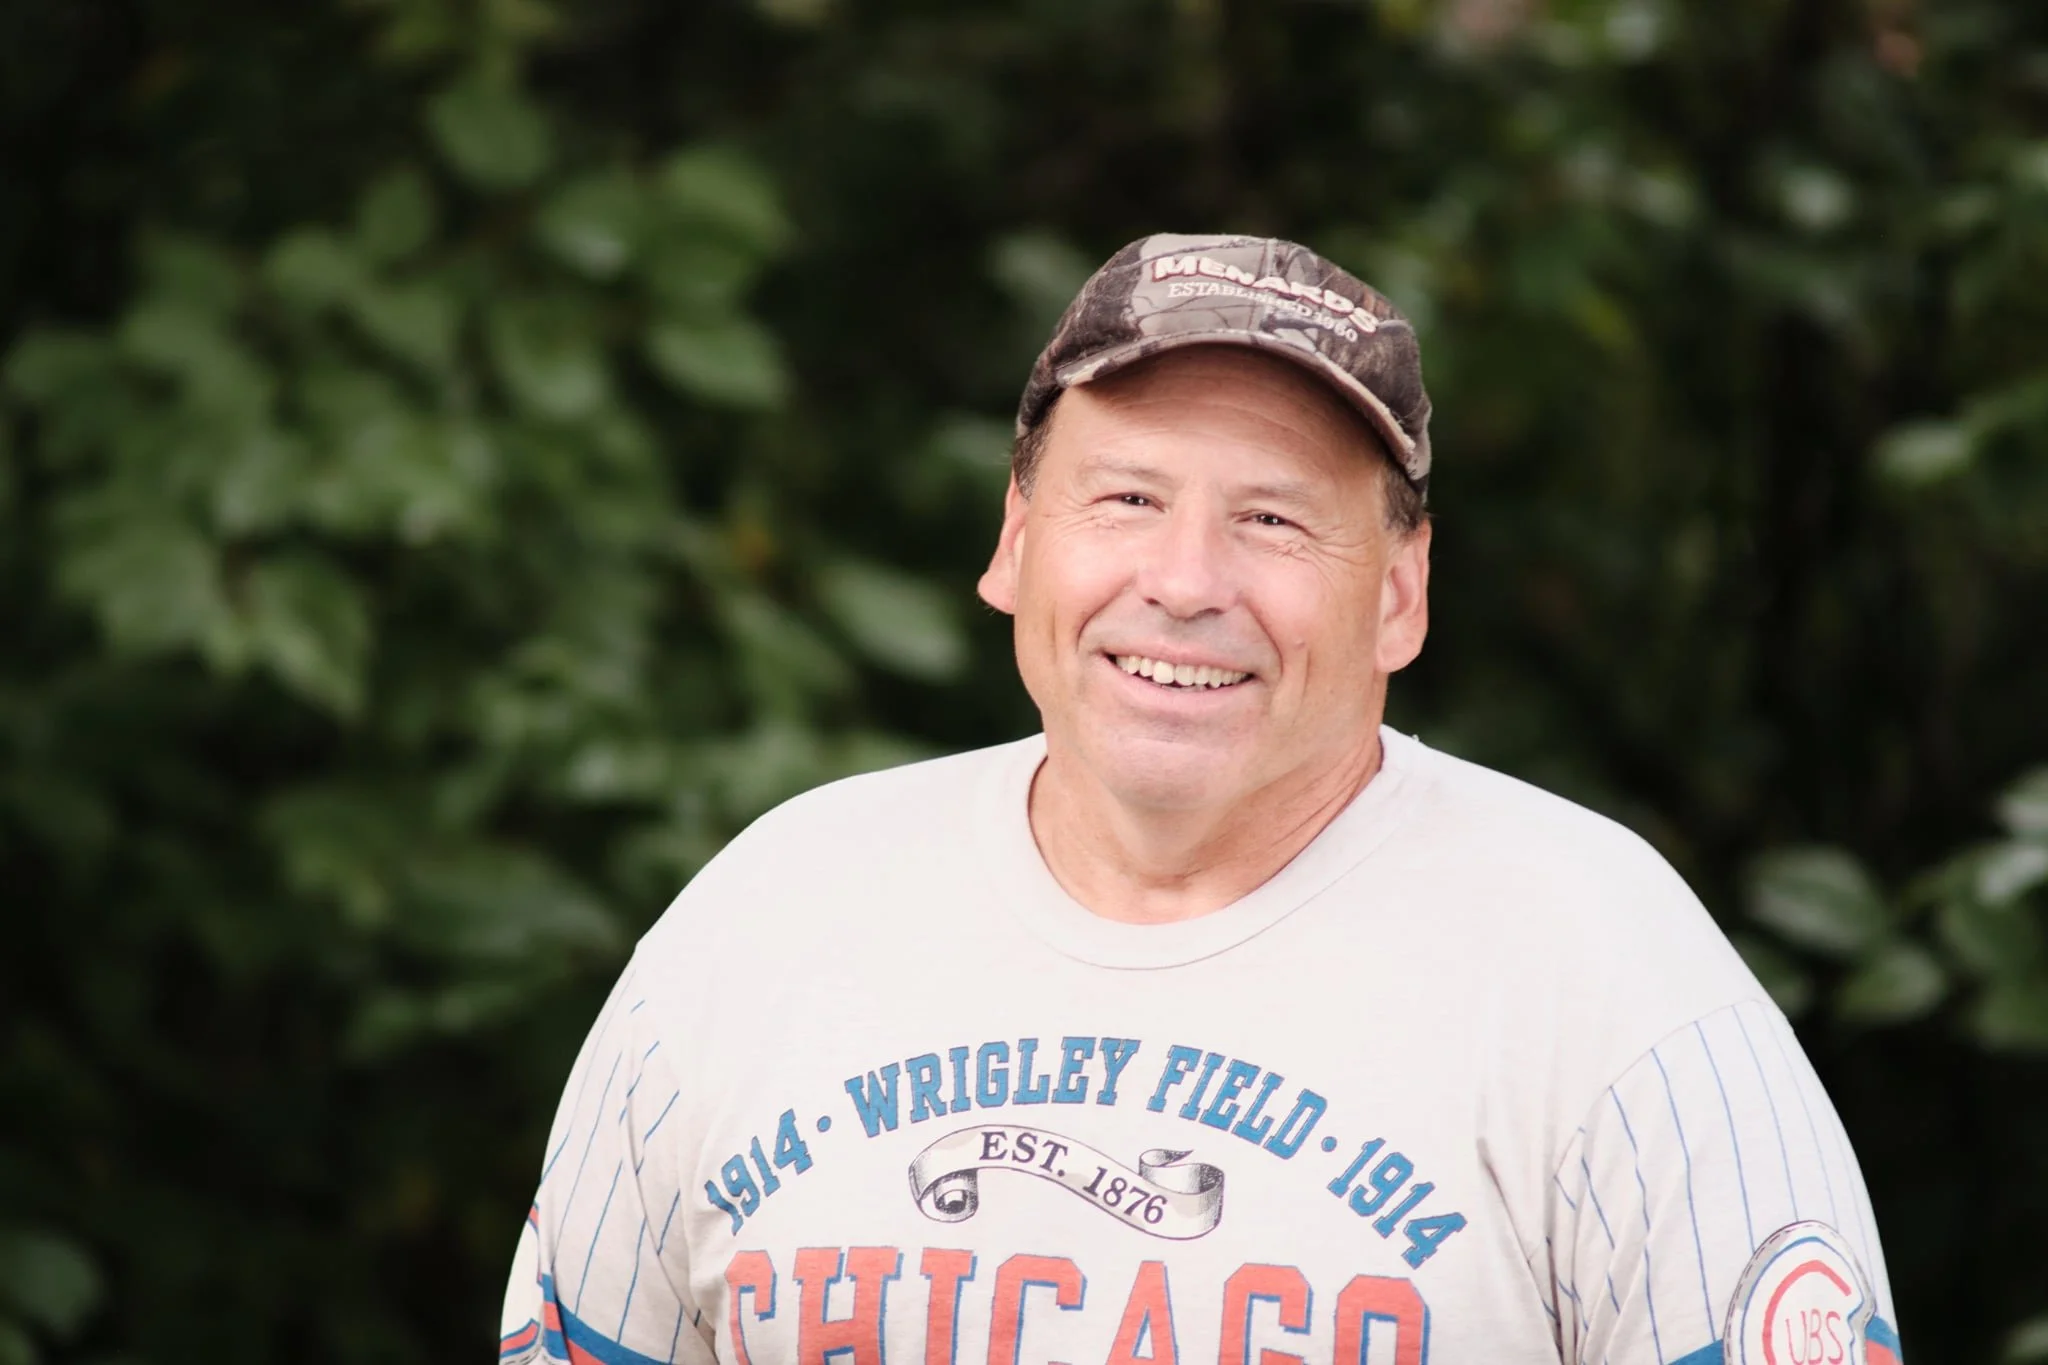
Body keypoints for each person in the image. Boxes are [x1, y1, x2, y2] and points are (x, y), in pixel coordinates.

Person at [498, 233, 1903, 1365]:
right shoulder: (768, 915)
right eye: (1124, 500)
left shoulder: (1608, 973)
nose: (1184, 580)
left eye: (1274, 520)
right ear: (1016, 542)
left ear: (1399, 597)